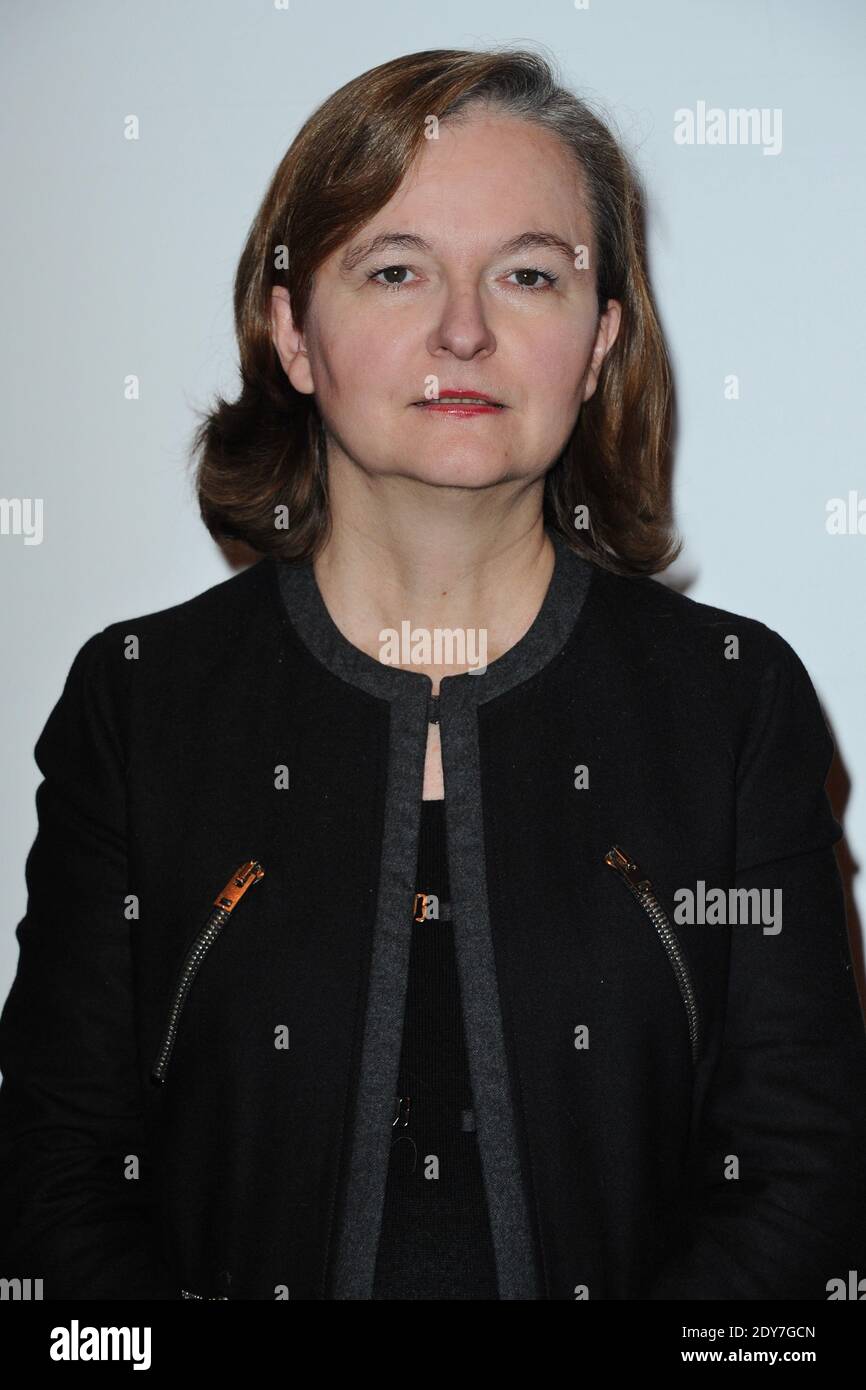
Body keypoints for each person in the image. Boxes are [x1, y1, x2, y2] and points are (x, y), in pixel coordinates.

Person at [1, 46, 865, 1301]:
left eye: (526, 274)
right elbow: (55, 1175)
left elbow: (801, 1176)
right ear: (292, 331)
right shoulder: (138, 705)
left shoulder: (734, 703)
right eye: (395, 269)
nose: (463, 329)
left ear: (599, 339)